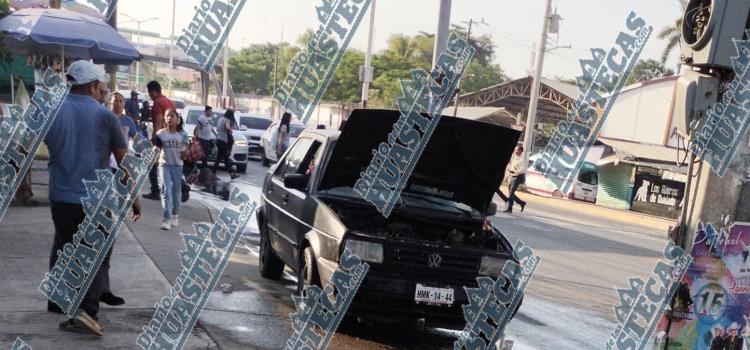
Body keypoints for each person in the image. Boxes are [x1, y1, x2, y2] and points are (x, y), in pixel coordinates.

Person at [44, 60, 141, 336]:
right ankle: (86, 311)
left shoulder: (53, 111)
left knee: (64, 244)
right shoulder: (105, 116)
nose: (104, 91)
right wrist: (133, 197)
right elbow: (123, 162)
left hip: (59, 196)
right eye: (101, 86)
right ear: (92, 86)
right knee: (97, 252)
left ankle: (57, 299)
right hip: (93, 199)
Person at [152, 109, 189, 230]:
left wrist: (185, 152)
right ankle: (166, 219)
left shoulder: (182, 135)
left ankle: (175, 214)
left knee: (176, 193)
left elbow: (185, 150)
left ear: (177, 119)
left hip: (178, 166)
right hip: (164, 165)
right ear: (164, 118)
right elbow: (156, 148)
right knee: (166, 190)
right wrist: (153, 155)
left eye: (172, 116)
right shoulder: (160, 134)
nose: (169, 118)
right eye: (167, 116)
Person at [143, 81, 175, 200]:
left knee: (151, 165)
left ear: (153, 91)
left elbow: (158, 122)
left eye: (150, 93)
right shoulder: (170, 102)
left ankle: (155, 191)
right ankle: (180, 185)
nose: (150, 96)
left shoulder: (157, 103)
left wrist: (154, 140)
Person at [214, 109, 239, 178]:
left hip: (218, 139)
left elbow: (217, 129)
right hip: (224, 140)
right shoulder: (227, 120)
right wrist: (230, 130)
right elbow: (228, 128)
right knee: (225, 158)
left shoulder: (220, 119)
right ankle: (231, 174)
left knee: (219, 158)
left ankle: (213, 173)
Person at [504, 145, 527, 213]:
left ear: (520, 151)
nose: (515, 151)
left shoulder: (522, 159)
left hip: (519, 177)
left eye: (517, 150)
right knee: (511, 192)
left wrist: (515, 172)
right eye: (515, 150)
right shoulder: (515, 157)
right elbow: (512, 167)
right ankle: (521, 202)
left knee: (511, 192)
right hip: (514, 176)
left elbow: (523, 169)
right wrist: (507, 176)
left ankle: (510, 208)